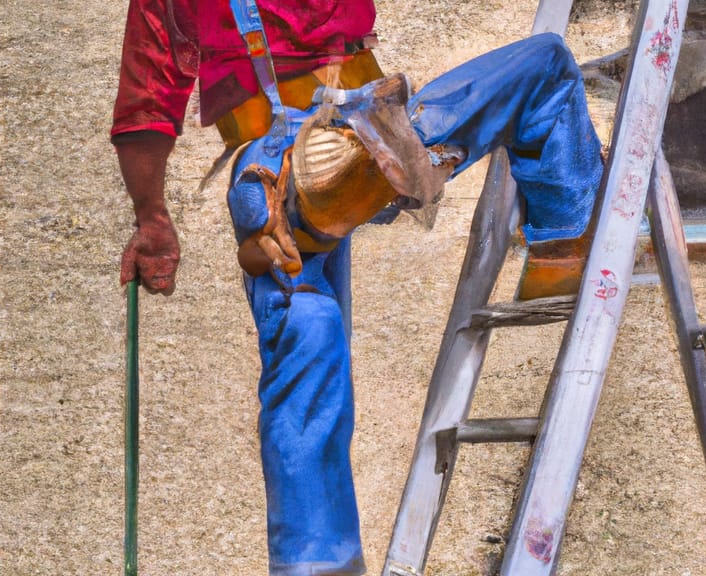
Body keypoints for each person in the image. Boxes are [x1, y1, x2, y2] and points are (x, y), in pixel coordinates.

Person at [112, 1, 603, 573]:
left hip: (272, 169)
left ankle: (317, 563)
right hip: (349, 149)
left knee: (307, 337)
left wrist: (152, 221)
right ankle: (563, 245)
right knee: (544, 64)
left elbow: (146, 102)